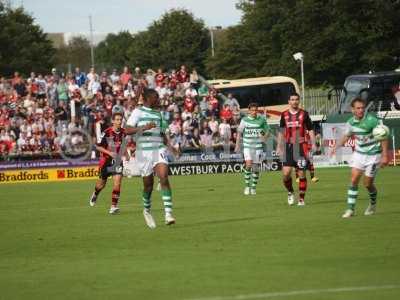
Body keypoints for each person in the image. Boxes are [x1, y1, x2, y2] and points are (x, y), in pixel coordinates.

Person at [126, 88, 177, 228]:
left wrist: (172, 149)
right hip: (144, 152)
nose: (158, 100)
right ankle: (147, 210)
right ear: (148, 99)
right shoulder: (138, 112)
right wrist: (144, 127)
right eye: (156, 98)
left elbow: (162, 135)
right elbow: (127, 129)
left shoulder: (159, 114)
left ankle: (168, 214)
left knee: (164, 177)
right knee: (148, 186)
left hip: (158, 149)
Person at [334, 97, 389, 218]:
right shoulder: (350, 122)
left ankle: (373, 204)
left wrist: (385, 155)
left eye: (362, 108)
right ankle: (350, 209)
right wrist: (336, 147)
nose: (361, 110)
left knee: (367, 184)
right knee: (353, 180)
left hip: (374, 155)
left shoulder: (372, 121)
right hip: (359, 154)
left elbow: (384, 137)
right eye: (358, 108)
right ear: (352, 109)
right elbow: (346, 135)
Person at [277, 92, 315, 206]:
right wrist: (279, 146)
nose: (294, 101)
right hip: (288, 146)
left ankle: (301, 199)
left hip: (301, 147)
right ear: (289, 101)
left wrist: (313, 143)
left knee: (302, 174)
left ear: (299, 101)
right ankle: (290, 192)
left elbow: (311, 129)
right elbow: (282, 131)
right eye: (292, 99)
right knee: (286, 174)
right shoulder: (284, 114)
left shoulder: (304, 114)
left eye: (296, 99)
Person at [89, 112, 127, 214]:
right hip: (106, 161)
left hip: (117, 161)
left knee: (117, 182)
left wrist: (126, 153)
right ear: (113, 121)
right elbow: (98, 146)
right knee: (101, 184)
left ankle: (113, 206)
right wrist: (109, 152)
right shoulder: (106, 132)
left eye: (121, 120)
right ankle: (96, 193)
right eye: (117, 120)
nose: (119, 122)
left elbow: (123, 143)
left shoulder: (124, 132)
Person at [235, 103, 270, 195]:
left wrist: (264, 137)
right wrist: (237, 144)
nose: (254, 112)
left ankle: (253, 187)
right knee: (249, 164)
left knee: (255, 168)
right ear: (249, 111)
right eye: (252, 110)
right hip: (247, 146)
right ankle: (247, 186)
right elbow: (239, 132)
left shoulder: (261, 120)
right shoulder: (244, 120)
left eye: (256, 110)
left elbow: (267, 131)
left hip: (258, 147)